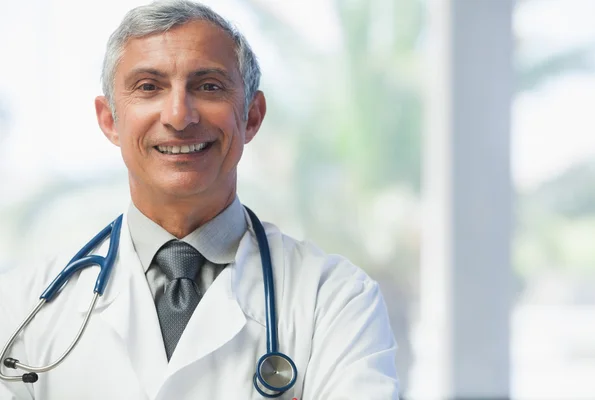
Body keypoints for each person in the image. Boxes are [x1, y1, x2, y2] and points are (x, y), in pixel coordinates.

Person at [0, 1, 400, 398]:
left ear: (252, 116)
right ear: (110, 121)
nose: (178, 115)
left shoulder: (335, 299)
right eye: (148, 87)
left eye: (208, 86)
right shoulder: (20, 304)